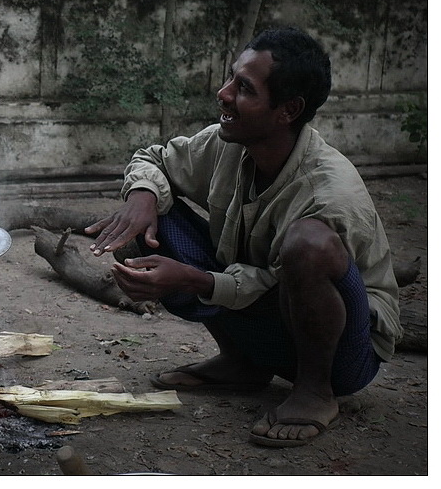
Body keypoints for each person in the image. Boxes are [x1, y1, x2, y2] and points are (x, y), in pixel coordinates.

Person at [85, 27, 401, 448]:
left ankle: (314, 393)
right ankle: (242, 363)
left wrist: (191, 280)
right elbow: (154, 158)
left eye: (244, 88)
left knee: (308, 243)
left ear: (288, 110)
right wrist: (142, 196)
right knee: (153, 208)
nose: (224, 93)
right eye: (232, 78)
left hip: (344, 353)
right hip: (268, 324)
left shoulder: (331, 194)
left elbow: (276, 283)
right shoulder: (230, 142)